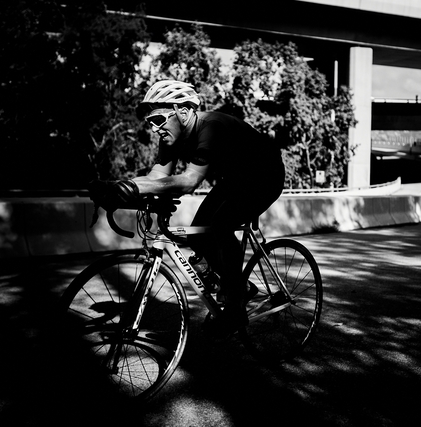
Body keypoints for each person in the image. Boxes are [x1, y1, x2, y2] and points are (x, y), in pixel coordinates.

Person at [104, 80, 285, 337]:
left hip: (265, 175)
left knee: (220, 227)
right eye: (150, 122)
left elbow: (189, 180)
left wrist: (135, 188)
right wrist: (117, 187)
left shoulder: (211, 127)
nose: (154, 128)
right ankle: (240, 287)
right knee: (196, 235)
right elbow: (158, 174)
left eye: (158, 119)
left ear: (184, 111)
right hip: (234, 180)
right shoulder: (171, 135)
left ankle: (235, 304)